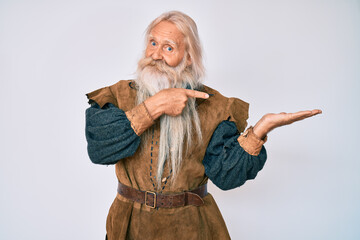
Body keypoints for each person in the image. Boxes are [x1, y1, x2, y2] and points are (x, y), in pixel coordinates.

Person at [85, 11, 322, 240]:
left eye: (168, 47)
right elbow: (101, 150)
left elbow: (225, 177)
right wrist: (154, 106)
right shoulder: (116, 96)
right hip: (129, 226)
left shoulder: (214, 106)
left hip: (191, 226)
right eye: (153, 43)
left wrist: (259, 130)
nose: (156, 55)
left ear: (188, 57)